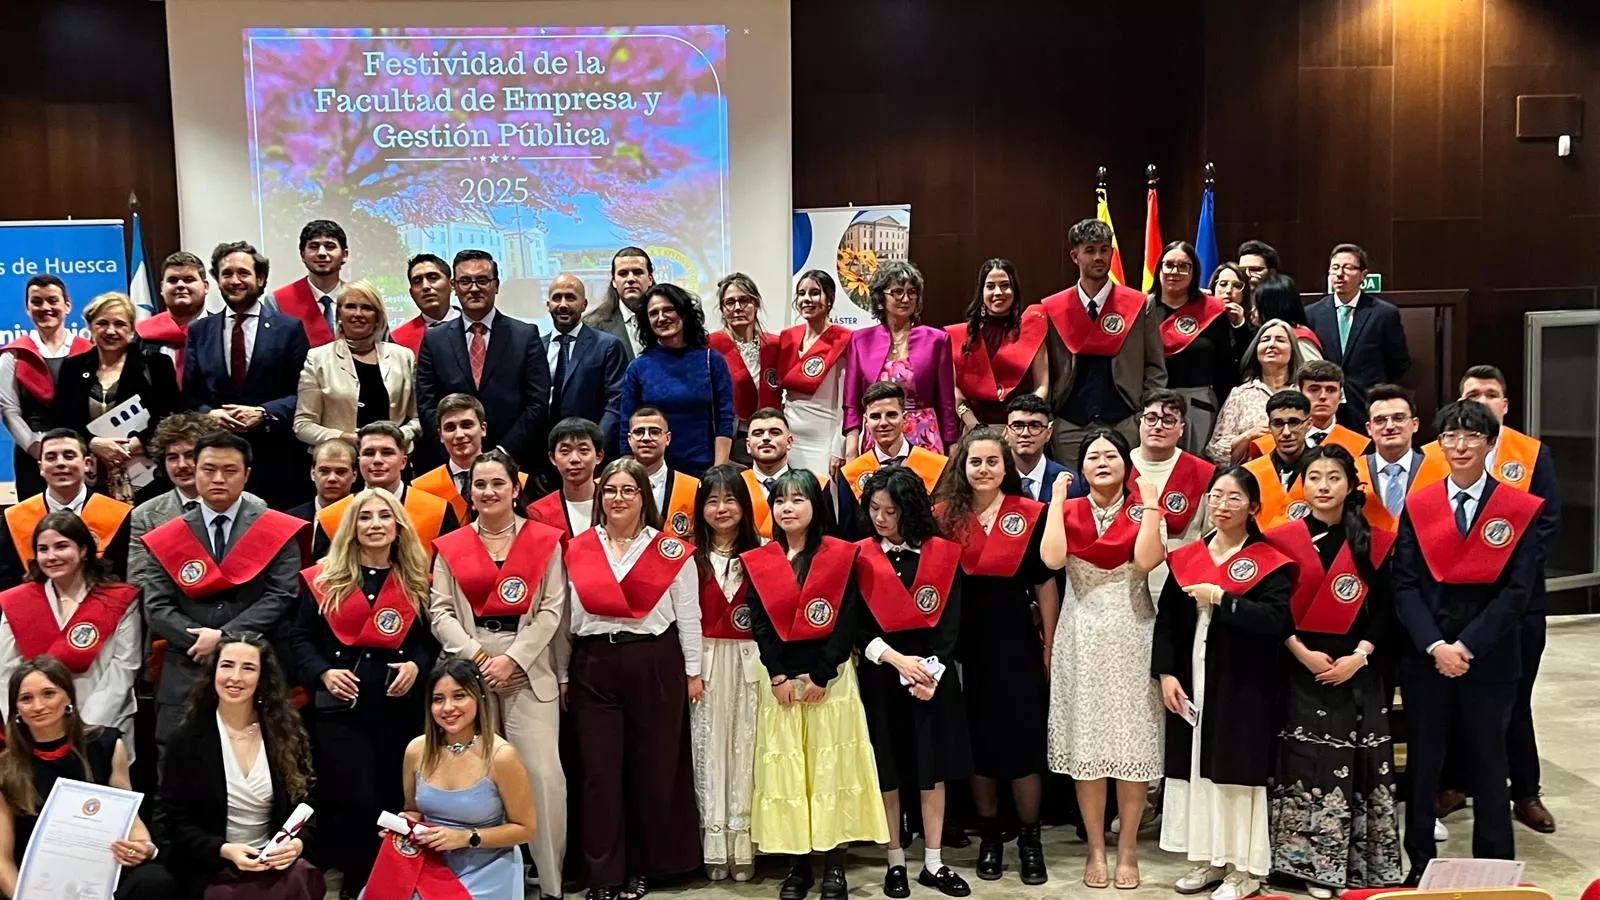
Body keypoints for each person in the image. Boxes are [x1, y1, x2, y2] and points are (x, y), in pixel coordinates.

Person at [1392, 400, 1545, 881]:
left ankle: (1495, 870)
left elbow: (1519, 590)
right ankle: (1418, 865)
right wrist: (1436, 646)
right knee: (1424, 764)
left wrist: (1468, 646)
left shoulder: (1516, 509)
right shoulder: (1420, 505)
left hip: (1491, 658)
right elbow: (1405, 583)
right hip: (1427, 659)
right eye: (1451, 437)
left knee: (1488, 764)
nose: (1460, 446)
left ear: (1490, 443)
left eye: (1471, 436)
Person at [1418, 367, 1560, 835]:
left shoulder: (1531, 454)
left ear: (1504, 405)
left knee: (1513, 701)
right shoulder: (1436, 455)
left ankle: (1525, 791)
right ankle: (1455, 784)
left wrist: (1496, 568)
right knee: (1454, 700)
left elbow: (1545, 525)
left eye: (1490, 394)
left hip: (1516, 603)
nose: (1481, 400)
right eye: (1471, 394)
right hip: (1448, 608)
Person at [1262, 446, 1403, 895]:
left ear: (1350, 485)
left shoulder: (1371, 539)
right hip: (1299, 662)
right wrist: (1299, 651)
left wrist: (1360, 656)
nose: (1324, 487)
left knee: (1350, 764)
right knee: (1301, 764)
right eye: (1315, 477)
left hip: (1355, 666)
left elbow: (1384, 608)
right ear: (1302, 484)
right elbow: (1274, 607)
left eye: (1334, 478)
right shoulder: (1281, 539)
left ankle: (1344, 867)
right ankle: (1297, 865)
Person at [429, 449, 569, 899]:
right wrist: (478, 657)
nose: (488, 492)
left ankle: (551, 883)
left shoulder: (545, 541)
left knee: (543, 776)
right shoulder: (451, 546)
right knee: (474, 777)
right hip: (470, 675)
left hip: (528, 670)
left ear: (516, 488)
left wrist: (514, 659)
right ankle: (478, 879)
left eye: (497, 484)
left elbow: (552, 610)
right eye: (480, 485)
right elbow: (440, 611)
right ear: (469, 492)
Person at [562, 457, 701, 900]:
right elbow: (566, 618)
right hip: (593, 667)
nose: (618, 498)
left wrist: (693, 673)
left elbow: (689, 616)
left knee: (652, 770)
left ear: (645, 497)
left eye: (628, 490)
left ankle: (643, 867)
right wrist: (564, 674)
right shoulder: (578, 548)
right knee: (599, 773)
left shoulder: (668, 550)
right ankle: (603, 873)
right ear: (600, 498)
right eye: (611, 490)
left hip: (654, 662)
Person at [743, 471, 886, 900]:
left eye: (797, 500)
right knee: (792, 775)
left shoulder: (840, 555)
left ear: (814, 506)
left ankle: (834, 865)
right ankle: (798, 866)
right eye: (780, 501)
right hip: (783, 686)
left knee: (830, 772)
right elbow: (761, 624)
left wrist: (823, 674)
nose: (788, 508)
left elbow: (847, 620)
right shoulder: (761, 559)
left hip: (831, 683)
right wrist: (778, 675)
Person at [290, 488, 439, 897]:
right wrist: (322, 673)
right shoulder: (323, 579)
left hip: (398, 707)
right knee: (355, 800)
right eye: (365, 517)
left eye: (384, 516)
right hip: (341, 707)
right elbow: (300, 639)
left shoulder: (418, 581)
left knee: (396, 797)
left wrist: (417, 665)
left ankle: (396, 884)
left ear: (398, 527)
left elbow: (431, 643)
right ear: (352, 528)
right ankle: (359, 885)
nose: (375, 524)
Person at [1155, 466, 1296, 900]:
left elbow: (1276, 621)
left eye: (1235, 498)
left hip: (1241, 682)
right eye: (1216, 496)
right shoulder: (1187, 557)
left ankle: (1244, 868)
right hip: (1191, 677)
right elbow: (1167, 623)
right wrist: (1166, 673)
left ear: (1254, 507)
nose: (1222, 505)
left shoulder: (1269, 562)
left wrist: (1223, 599)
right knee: (1197, 767)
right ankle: (1209, 859)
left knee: (1234, 771)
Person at [1040, 428, 1165, 889]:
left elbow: (1148, 560)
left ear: (1126, 463)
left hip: (1134, 632)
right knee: (1088, 748)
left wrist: (1151, 505)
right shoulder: (1068, 510)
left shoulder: (1142, 509)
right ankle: (1096, 848)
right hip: (1082, 635)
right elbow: (1053, 560)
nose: (1102, 462)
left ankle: (1128, 850)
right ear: (1081, 467)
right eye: (1092, 456)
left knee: (1130, 745)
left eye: (1111, 454)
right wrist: (1055, 501)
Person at [931, 428, 1056, 885]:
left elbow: (1044, 582)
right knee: (978, 746)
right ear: (962, 469)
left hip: (1017, 641)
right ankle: (989, 836)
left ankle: (1029, 838)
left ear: (1006, 467)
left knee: (1020, 745)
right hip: (963, 643)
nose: (983, 470)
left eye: (991, 462)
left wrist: (1050, 644)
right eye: (974, 462)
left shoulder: (1031, 514)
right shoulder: (944, 517)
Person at [141, 431, 306, 752]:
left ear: (247, 475)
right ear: (195, 471)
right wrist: (201, 640)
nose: (218, 479)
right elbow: (157, 607)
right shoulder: (168, 536)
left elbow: (282, 595)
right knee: (180, 771)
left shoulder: (275, 528)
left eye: (230, 471)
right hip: (187, 668)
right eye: (209, 469)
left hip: (258, 668)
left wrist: (224, 637)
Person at [851, 466, 971, 898]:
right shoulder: (860, 556)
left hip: (932, 681)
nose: (880, 518)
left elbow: (952, 625)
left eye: (891, 511)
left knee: (931, 771)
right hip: (884, 678)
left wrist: (929, 673)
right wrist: (898, 661)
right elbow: (857, 629)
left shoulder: (942, 554)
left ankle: (934, 862)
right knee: (890, 769)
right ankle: (896, 860)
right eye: (875, 509)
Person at [153, 632, 324, 899]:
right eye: (227, 665)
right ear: (213, 673)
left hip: (275, 865)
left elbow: (310, 804)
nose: (235, 677)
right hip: (213, 867)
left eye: (248, 668)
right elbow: (171, 823)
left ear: (262, 678)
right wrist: (223, 849)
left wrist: (298, 844)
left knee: (301, 876)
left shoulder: (287, 735)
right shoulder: (186, 740)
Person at [0, 657, 176, 899]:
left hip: (103, 867)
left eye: (48, 693)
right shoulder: (6, 767)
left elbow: (131, 821)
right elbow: (2, 860)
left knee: (154, 881)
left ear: (68, 698)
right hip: (41, 880)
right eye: (26, 699)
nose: (38, 706)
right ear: (17, 710)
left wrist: (143, 846)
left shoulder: (106, 745)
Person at [371, 659, 537, 899]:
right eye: (438, 699)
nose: (448, 707)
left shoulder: (501, 757)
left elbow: (525, 830)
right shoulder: (417, 750)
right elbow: (413, 810)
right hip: (429, 861)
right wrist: (402, 828)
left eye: (459, 696)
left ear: (478, 698)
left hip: (487, 865)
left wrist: (466, 837)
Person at [183, 240, 312, 511]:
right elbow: (190, 394)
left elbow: (304, 392)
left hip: (277, 460)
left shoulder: (288, 329)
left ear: (260, 278)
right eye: (226, 274)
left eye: (243, 273)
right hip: (218, 460)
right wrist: (210, 414)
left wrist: (264, 412)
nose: (234, 280)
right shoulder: (200, 331)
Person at [0, 511, 141, 757]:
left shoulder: (119, 598)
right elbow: (6, 671)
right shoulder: (16, 602)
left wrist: (82, 725)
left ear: (84, 550)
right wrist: (28, 721)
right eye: (43, 549)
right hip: (38, 730)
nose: (51, 556)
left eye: (61, 546)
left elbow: (124, 666)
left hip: (103, 724)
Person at [688, 464, 763, 882]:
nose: (721, 508)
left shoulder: (764, 551)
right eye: (712, 501)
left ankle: (743, 841)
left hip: (750, 662)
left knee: (746, 746)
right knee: (708, 747)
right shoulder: (686, 556)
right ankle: (712, 842)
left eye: (730, 499)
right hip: (705, 663)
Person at [1040, 220, 1167, 462]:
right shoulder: (1053, 308)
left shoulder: (1140, 304)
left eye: (1104, 249)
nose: (1098, 257)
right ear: (1074, 256)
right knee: (1071, 495)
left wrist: (1144, 415)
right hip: (1069, 424)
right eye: (1090, 250)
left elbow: (1155, 367)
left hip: (1124, 421)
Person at [416, 248, 553, 471]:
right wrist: (456, 450)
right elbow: (427, 404)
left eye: (482, 280)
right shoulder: (434, 339)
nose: (474, 288)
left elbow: (537, 403)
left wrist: (503, 452)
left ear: (496, 285)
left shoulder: (525, 336)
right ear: (454, 286)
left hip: (514, 462)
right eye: (465, 281)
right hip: (452, 461)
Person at [48, 291, 178, 503]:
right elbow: (61, 421)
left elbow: (171, 417)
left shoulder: (155, 365)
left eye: (120, 324)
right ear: (90, 328)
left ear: (132, 330)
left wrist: (133, 445)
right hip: (90, 479)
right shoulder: (72, 367)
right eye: (102, 323)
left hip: (147, 475)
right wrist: (93, 443)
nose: (111, 331)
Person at [842, 261, 959, 456]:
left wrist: (952, 446)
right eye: (897, 291)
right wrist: (851, 447)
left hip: (924, 435)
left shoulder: (937, 340)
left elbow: (946, 402)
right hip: (879, 433)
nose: (906, 298)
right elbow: (852, 402)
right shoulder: (859, 340)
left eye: (911, 292)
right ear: (881, 298)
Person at [618, 283, 735, 475]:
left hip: (704, 471)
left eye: (668, 310)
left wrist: (718, 472)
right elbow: (626, 426)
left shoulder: (711, 360)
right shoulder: (638, 367)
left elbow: (725, 419)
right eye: (654, 313)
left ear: (683, 313)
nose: (661, 318)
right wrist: (630, 476)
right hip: (653, 473)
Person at [293, 279, 420, 450]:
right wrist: (343, 438)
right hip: (339, 463)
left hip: (393, 460)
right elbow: (303, 425)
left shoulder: (403, 356)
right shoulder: (318, 358)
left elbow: (418, 419)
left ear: (378, 317)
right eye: (351, 306)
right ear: (339, 315)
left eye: (367, 308)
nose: (358, 314)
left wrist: (396, 437)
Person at [0, 428, 133, 585]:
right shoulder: (14, 518)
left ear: (87, 464)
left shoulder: (120, 515)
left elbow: (123, 577)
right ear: (41, 468)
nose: (61, 463)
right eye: (51, 457)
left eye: (69, 456)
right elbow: (6, 582)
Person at [0, 274, 91, 500]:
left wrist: (84, 449)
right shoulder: (14, 354)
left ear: (67, 306)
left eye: (52, 300)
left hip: (82, 453)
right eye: (37, 302)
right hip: (32, 454)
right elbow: (9, 410)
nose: (45, 308)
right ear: (28, 308)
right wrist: (37, 450)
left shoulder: (89, 350)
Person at [311, 422, 457, 558]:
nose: (377, 460)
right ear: (359, 461)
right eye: (368, 453)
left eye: (387, 452)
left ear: (403, 461)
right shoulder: (332, 517)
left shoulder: (438, 510)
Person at [1305, 244, 1409, 426]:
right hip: (1325, 407)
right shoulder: (1312, 314)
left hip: (1365, 402)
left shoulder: (1383, 313)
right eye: (1335, 268)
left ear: (1363, 275)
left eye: (1348, 268)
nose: (1340, 274)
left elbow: (1399, 362)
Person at [1149, 242, 1238, 453]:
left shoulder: (1213, 310)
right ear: (1159, 269)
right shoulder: (1143, 309)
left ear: (1194, 271)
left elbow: (1225, 367)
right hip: (1153, 404)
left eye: (1183, 266)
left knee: (1197, 470)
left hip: (1199, 405)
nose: (1174, 272)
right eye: (1168, 265)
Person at [130, 413, 232, 587]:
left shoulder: (247, 504)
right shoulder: (145, 515)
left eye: (190, 455)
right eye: (172, 457)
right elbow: (138, 582)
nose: (181, 465)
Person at [1130, 390, 1217, 594]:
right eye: (1151, 418)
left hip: (1182, 585)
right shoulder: (1120, 467)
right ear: (1140, 422)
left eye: (1168, 420)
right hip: (1125, 585)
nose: (1158, 426)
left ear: (1181, 429)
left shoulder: (1201, 473)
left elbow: (1211, 534)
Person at [948, 259, 1049, 430]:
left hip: (1021, 430)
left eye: (1005, 285)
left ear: (1014, 290)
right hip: (974, 428)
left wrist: (1021, 423)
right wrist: (974, 425)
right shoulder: (962, 336)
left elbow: (1041, 386)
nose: (998, 292)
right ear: (981, 291)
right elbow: (956, 391)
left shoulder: (1031, 331)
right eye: (990, 286)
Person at [545, 273, 628, 459]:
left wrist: (593, 448)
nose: (563, 304)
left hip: (593, 457)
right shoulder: (536, 346)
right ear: (548, 304)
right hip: (546, 461)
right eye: (557, 298)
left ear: (584, 304)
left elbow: (616, 403)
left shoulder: (607, 346)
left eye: (571, 297)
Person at [778, 270, 851, 476]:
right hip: (788, 440)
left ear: (830, 299)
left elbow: (846, 402)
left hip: (823, 443)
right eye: (801, 294)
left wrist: (840, 447)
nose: (806, 299)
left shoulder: (843, 339)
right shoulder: (788, 337)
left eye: (815, 293)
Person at [413, 394, 527, 523]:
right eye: (450, 428)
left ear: (483, 429)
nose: (459, 434)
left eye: (466, 425)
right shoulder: (422, 488)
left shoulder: (518, 482)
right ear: (440, 435)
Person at [1205, 319, 1305, 464]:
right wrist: (1248, 437)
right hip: (1249, 476)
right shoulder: (1240, 394)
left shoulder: (1304, 392)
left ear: (1292, 350)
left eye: (1280, 340)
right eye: (1265, 339)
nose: (1271, 345)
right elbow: (1215, 450)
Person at [708, 273, 780, 465]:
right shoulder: (710, 345)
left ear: (756, 304)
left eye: (744, 300)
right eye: (730, 302)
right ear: (722, 309)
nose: (737, 307)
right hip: (732, 439)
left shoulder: (774, 344)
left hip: (771, 436)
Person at [1357, 384, 1438, 532]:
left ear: (1415, 425)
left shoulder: (1438, 471)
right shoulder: (1353, 472)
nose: (1389, 426)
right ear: (1369, 428)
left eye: (1399, 418)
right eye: (1380, 420)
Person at [1251, 360, 1371, 459]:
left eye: (1331, 390)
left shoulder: (1360, 446)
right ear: (1300, 393)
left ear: (1340, 396)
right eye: (1314, 389)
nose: (1323, 396)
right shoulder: (1269, 445)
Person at [741, 407, 826, 539]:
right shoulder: (735, 486)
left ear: (789, 442)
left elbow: (826, 538)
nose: (766, 438)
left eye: (775, 433)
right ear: (748, 445)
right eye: (758, 433)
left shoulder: (816, 486)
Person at [625, 406, 701, 539]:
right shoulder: (607, 486)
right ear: (629, 439)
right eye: (639, 432)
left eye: (654, 432)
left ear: (668, 438)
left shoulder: (693, 487)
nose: (646, 438)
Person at [270, 218, 347, 348]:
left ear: (344, 255)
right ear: (302, 255)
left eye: (330, 247)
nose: (321, 253)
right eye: (314, 246)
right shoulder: (277, 301)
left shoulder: (363, 299)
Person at [1243, 391, 1315, 527]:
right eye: (1278, 423)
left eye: (1294, 422)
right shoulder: (1250, 472)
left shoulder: (1324, 470)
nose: (1286, 432)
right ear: (1269, 426)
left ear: (1309, 424)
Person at [527, 416, 604, 539]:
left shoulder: (614, 504)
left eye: (583, 450)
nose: (574, 459)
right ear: (552, 458)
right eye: (565, 451)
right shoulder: (538, 513)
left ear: (599, 456)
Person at [137, 251, 211, 378]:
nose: (180, 285)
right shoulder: (141, 336)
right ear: (162, 288)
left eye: (189, 280)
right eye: (173, 280)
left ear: (205, 287)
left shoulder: (222, 331)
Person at [1002, 394, 1085, 503]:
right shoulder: (994, 479)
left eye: (1035, 426)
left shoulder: (1071, 483)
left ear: (1048, 433)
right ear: (1007, 433)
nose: (1025, 433)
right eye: (1017, 426)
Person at [583, 246, 655, 360]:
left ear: (650, 279)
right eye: (623, 273)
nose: (631, 279)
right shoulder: (592, 326)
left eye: (638, 272)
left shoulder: (669, 319)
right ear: (614, 282)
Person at [389, 252, 460, 356]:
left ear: (452, 285)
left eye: (433, 277)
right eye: (417, 281)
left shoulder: (476, 328)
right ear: (412, 293)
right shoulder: (398, 340)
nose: (425, 286)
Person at [286, 437, 357, 523]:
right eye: (324, 471)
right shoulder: (291, 520)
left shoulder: (366, 518)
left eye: (341, 472)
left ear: (354, 475)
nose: (332, 478)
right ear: (312, 473)